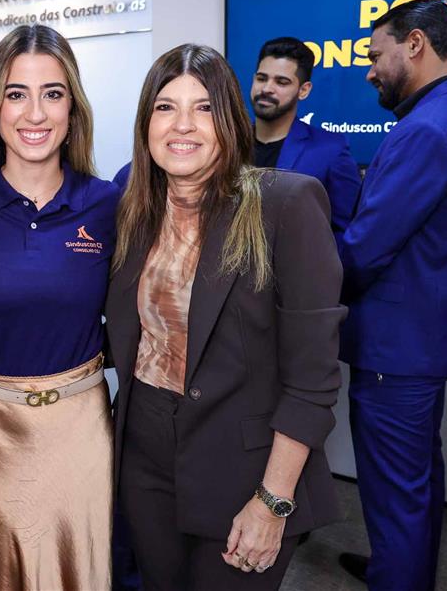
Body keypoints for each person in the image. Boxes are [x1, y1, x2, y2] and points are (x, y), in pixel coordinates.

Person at [105, 44, 346, 590]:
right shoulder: (131, 209)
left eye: (204, 107)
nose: (182, 125)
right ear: (145, 123)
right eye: (165, 107)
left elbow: (312, 379)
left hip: (246, 468)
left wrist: (273, 500)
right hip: (144, 455)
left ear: (231, 119)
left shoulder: (284, 204)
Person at [0, 24, 119, 590]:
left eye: (53, 93)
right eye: (16, 94)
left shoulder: (107, 205)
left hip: (81, 427)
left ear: (73, 108)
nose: (35, 113)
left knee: (85, 573)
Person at [337, 0, 447, 591]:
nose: (371, 71)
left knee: (396, 494)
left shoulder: (425, 129)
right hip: (433, 336)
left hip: (397, 349)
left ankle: (397, 576)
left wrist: (301, 276)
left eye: (377, 55)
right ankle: (403, 570)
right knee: (417, 480)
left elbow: (364, 249)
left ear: (415, 44)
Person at [249, 36, 361, 244]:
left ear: (304, 90)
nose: (267, 89)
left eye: (281, 82)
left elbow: (348, 229)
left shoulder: (330, 150)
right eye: (262, 78)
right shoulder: (228, 142)